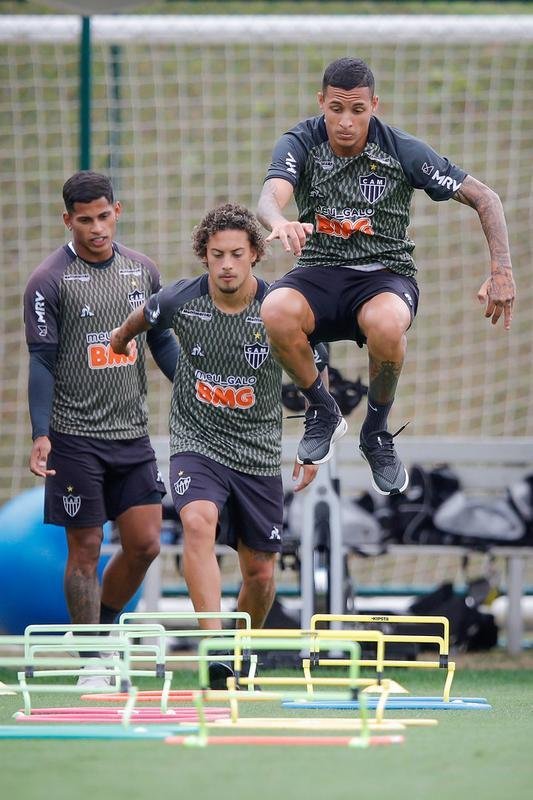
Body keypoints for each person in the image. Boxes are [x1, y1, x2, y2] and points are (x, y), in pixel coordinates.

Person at [257, 56, 516, 496]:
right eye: (336, 108)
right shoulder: (299, 142)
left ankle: (376, 432)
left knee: (386, 324)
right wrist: (277, 221)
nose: (345, 121)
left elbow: (485, 198)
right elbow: (270, 195)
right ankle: (323, 411)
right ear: (321, 102)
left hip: (384, 275)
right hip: (319, 271)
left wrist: (502, 271)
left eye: (357, 110)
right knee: (274, 310)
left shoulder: (401, 150)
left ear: (374, 105)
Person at [110, 203, 321, 686]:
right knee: (197, 522)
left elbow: (316, 374)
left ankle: (240, 652)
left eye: (236, 254)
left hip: (258, 452)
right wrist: (121, 340)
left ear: (254, 256)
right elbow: (142, 318)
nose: (226, 264)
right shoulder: (182, 299)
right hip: (197, 442)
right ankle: (217, 648)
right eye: (216, 254)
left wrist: (312, 443)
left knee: (261, 575)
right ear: (204, 257)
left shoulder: (278, 309)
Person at [23, 171, 180, 686]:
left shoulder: (143, 272)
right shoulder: (49, 281)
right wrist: (41, 433)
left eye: (104, 217)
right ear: (67, 220)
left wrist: (194, 385)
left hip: (131, 436)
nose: (96, 229)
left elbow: (161, 345)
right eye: (84, 220)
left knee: (145, 545)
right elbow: (42, 362)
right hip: (74, 438)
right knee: (85, 548)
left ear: (118, 211)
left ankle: (100, 628)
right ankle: (92, 660)